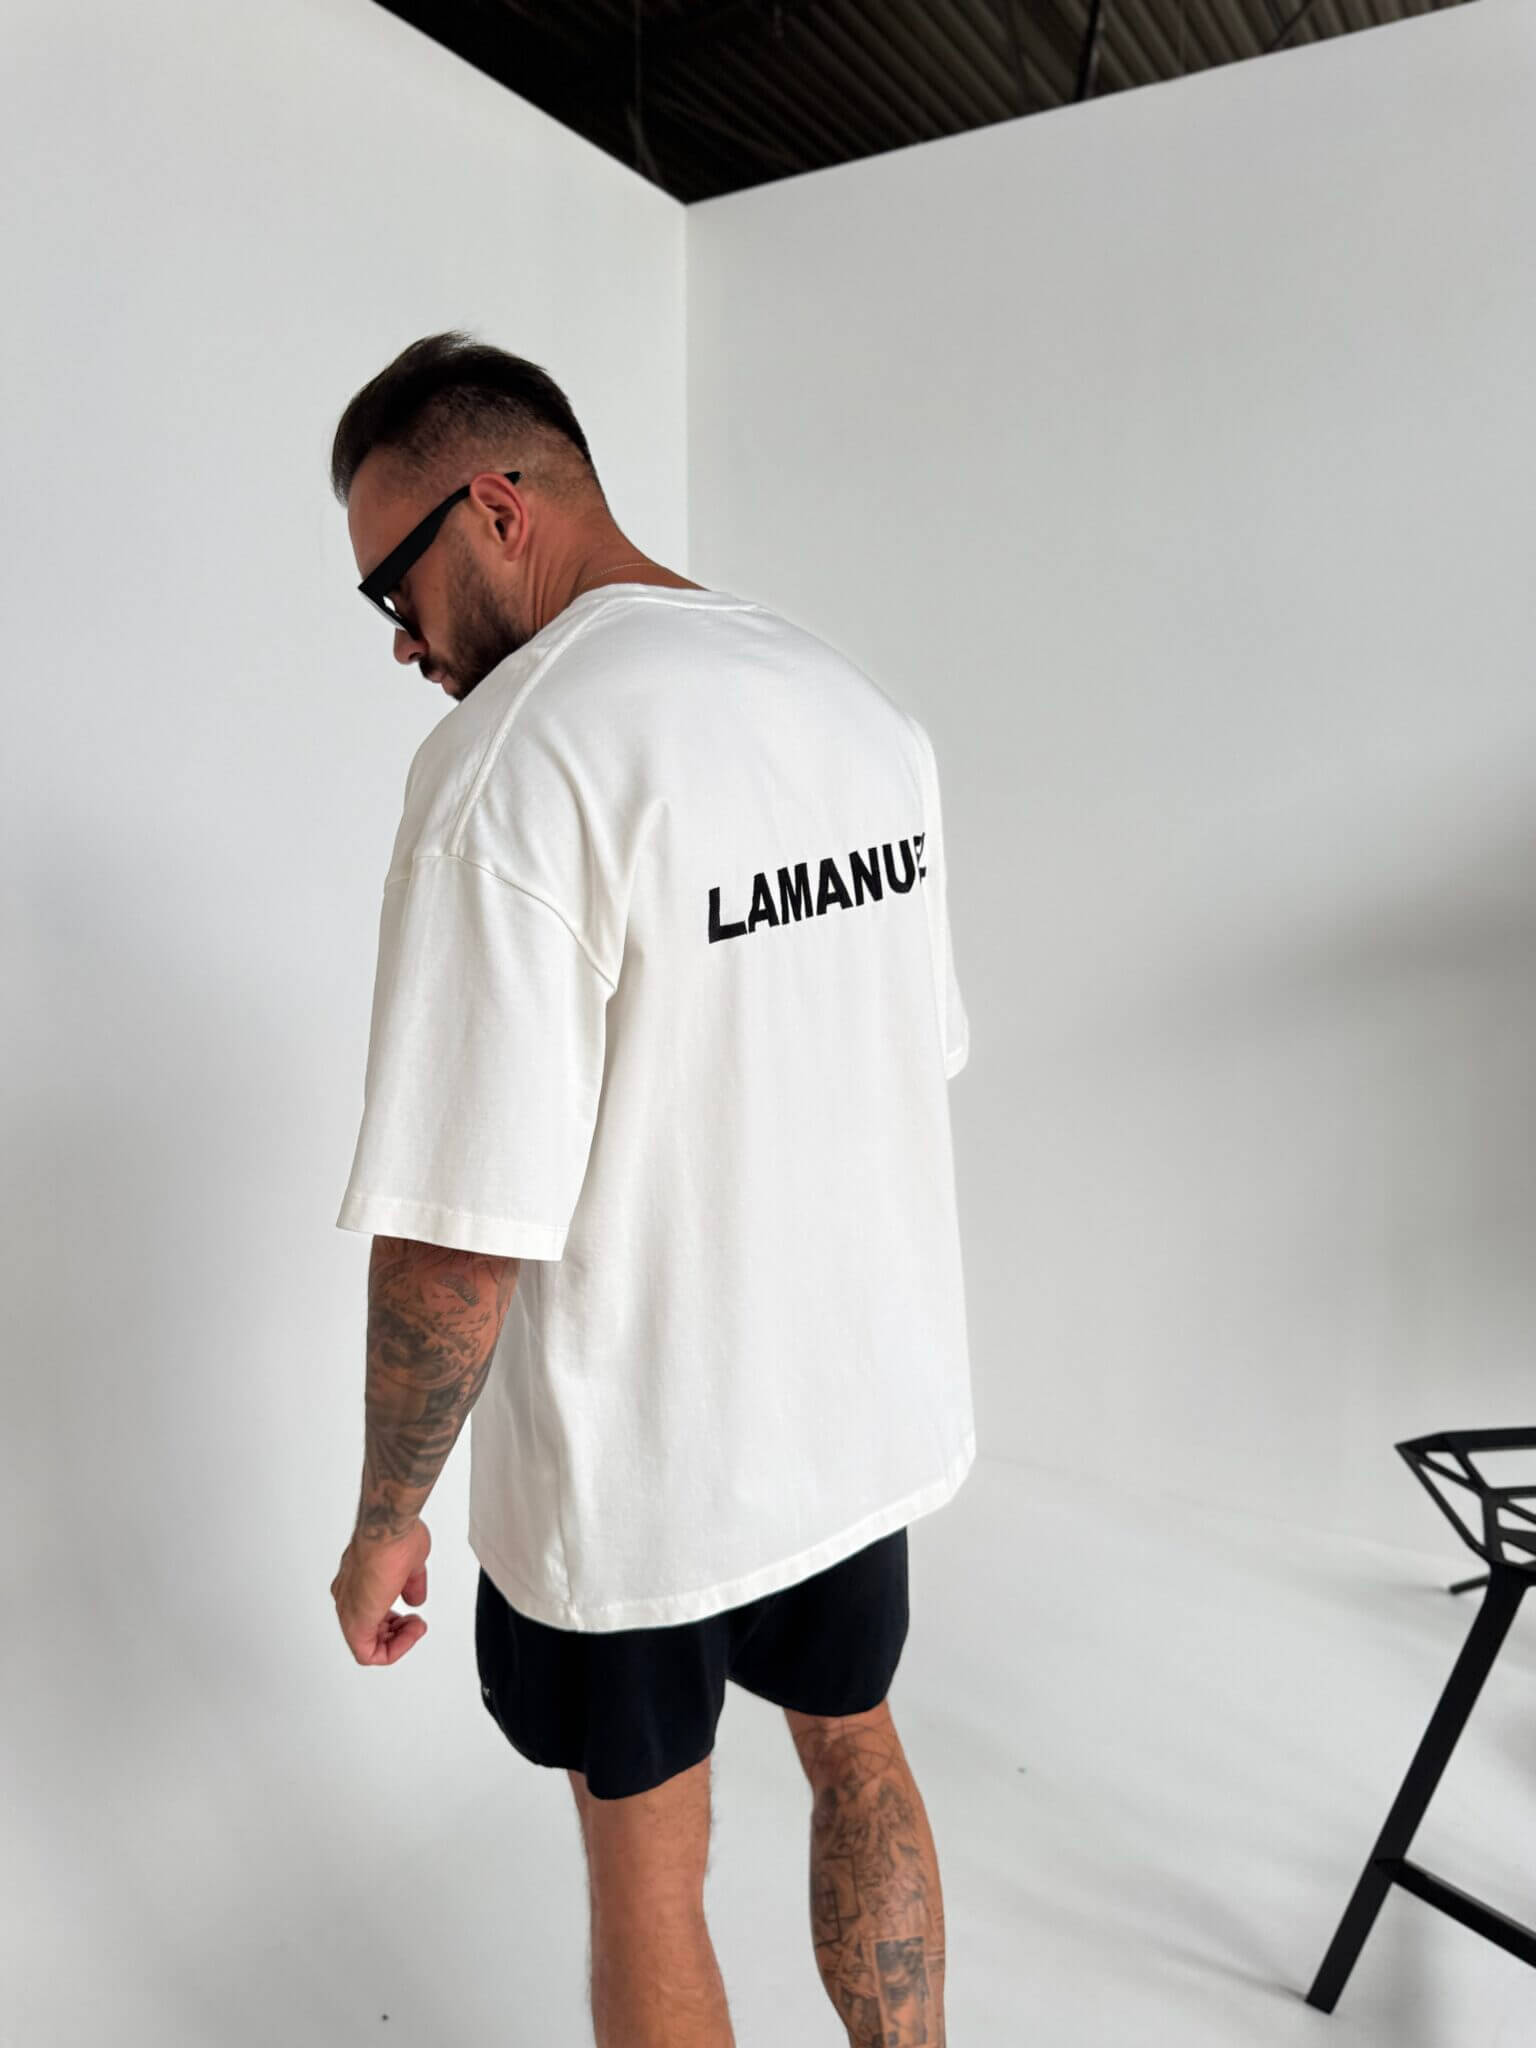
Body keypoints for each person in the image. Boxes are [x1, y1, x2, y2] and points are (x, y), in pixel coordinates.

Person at [328, 329, 973, 2048]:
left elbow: (457, 1241)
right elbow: (905, 1062)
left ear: (494, 508)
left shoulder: (511, 767)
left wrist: (388, 1514)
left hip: (641, 1469)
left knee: (647, 1869)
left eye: (394, 584)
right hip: (854, 1410)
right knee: (860, 1748)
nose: (399, 638)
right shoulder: (853, 709)